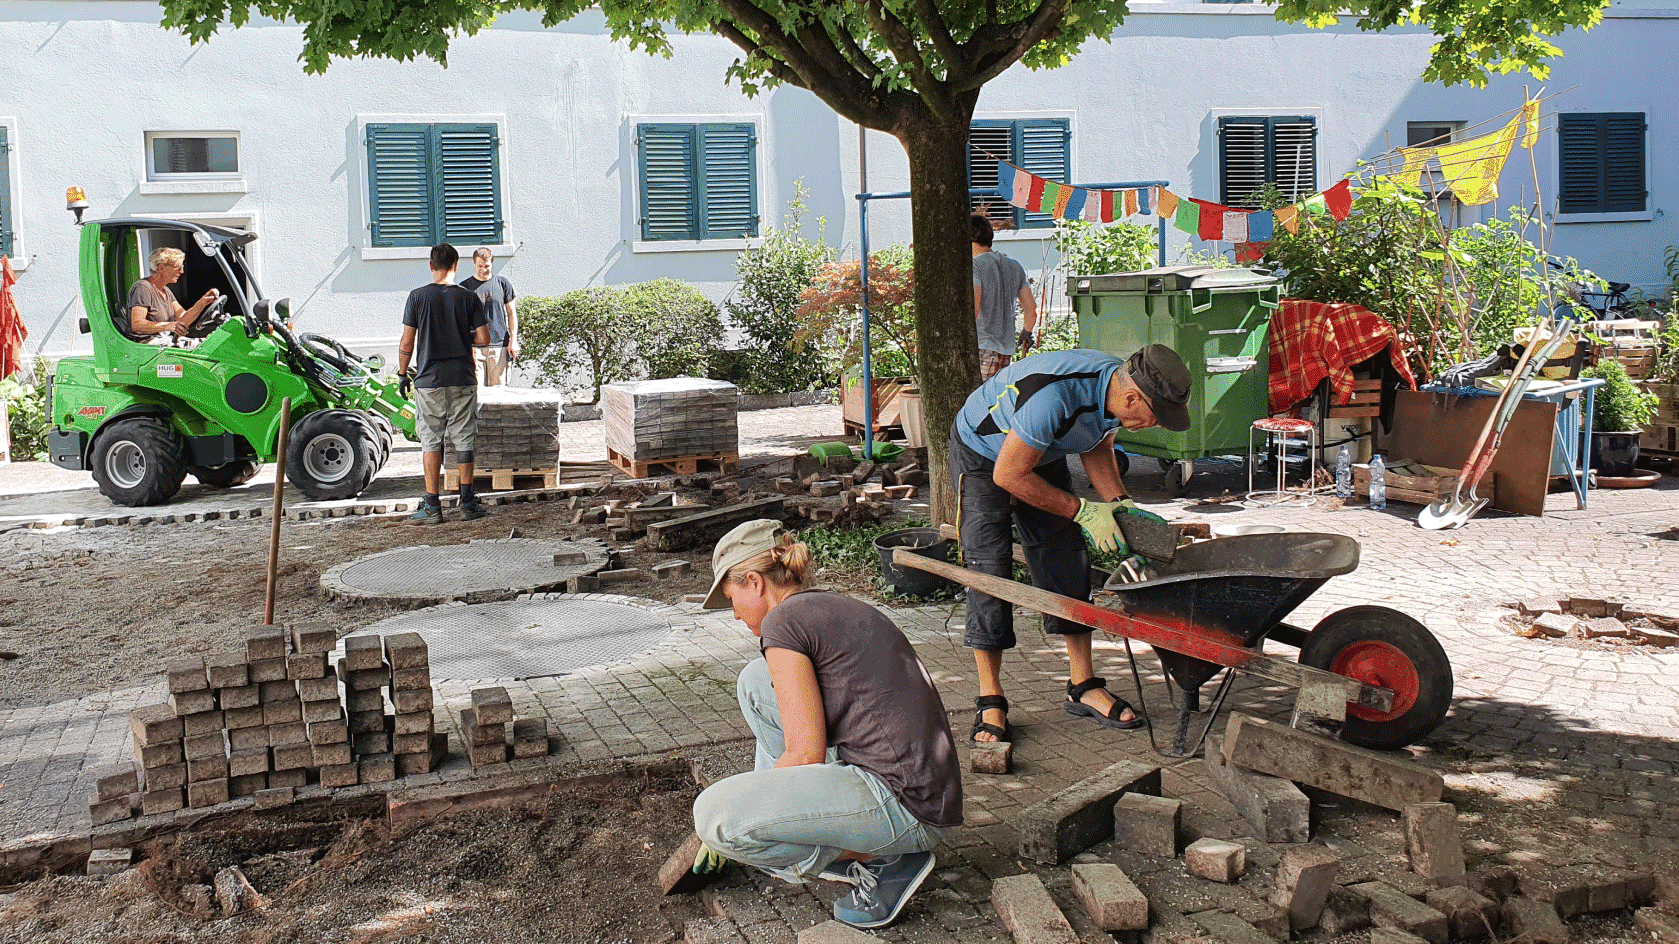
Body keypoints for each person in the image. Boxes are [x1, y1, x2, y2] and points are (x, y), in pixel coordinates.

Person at [690, 519, 961, 930]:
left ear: (754, 582)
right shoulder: (824, 606)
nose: (734, 614)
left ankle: (881, 859)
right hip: (924, 788)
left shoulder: (782, 625)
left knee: (715, 817)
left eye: (732, 599)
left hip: (907, 808)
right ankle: (824, 826)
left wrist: (743, 823)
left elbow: (805, 751)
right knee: (754, 682)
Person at [950, 346, 1192, 744]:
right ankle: (989, 697)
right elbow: (1008, 474)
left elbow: (1096, 443)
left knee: (1065, 557)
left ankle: (1082, 685)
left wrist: (1119, 507)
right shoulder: (1054, 397)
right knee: (988, 570)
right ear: (1132, 397)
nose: (1154, 426)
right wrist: (1083, 511)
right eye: (1155, 418)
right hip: (982, 454)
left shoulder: (1114, 391)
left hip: (1039, 449)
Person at [397, 243, 492, 524]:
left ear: (431, 266)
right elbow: (484, 339)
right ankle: (467, 503)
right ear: (455, 266)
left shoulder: (417, 297)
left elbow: (407, 341)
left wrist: (403, 373)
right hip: (463, 378)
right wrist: (464, 339)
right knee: (464, 440)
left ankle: (432, 506)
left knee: (430, 440)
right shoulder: (468, 297)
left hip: (429, 381)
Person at [971, 212, 1038, 380]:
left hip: (982, 348)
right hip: (1005, 352)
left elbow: (974, 309)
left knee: (980, 403)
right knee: (997, 402)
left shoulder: (974, 266)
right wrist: (1026, 332)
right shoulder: (1014, 266)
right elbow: (1031, 310)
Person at [128, 247, 220, 344]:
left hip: (165, 341)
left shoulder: (166, 291)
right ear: (161, 267)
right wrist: (167, 326)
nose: (181, 271)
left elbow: (183, 319)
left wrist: (202, 302)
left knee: (209, 344)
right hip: (148, 345)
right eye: (177, 266)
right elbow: (137, 325)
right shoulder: (143, 288)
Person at [459, 248, 518, 386]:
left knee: (499, 392)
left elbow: (511, 314)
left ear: (492, 263)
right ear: (474, 263)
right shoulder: (464, 288)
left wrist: (513, 341)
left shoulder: (503, 284)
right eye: (480, 266)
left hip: (499, 346)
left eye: (487, 266)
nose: (484, 270)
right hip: (474, 348)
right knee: (475, 393)